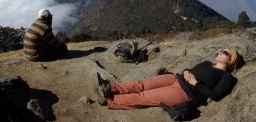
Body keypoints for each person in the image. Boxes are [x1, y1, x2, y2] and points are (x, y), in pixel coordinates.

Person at [95, 47, 244, 109]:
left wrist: (195, 83)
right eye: (222, 49)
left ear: (231, 60)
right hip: (175, 78)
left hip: (185, 93)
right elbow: (190, 70)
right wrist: (186, 71)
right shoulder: (207, 63)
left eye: (225, 52)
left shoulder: (227, 77)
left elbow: (215, 95)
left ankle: (110, 100)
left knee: (144, 96)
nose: (220, 51)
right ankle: (109, 88)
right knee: (142, 84)